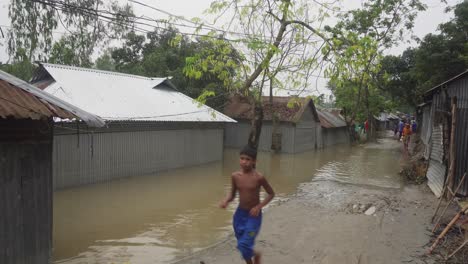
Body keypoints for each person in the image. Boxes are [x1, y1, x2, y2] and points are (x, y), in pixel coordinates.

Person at [220, 145, 275, 264]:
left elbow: (271, 194)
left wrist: (258, 207)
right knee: (242, 245)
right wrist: (226, 201)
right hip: (239, 215)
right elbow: (232, 195)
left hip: (253, 216)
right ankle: (253, 258)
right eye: (242, 158)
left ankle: (256, 255)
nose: (244, 162)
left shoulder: (259, 177)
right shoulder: (235, 176)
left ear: (254, 161)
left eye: (248, 159)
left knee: (244, 244)